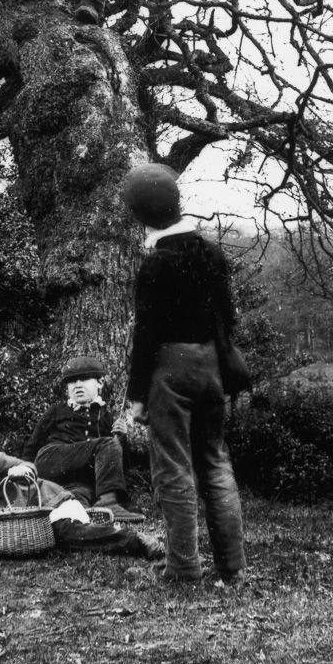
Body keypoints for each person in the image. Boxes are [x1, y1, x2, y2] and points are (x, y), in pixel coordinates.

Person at [122, 162, 245, 584]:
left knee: (173, 467)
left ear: (139, 215)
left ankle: (183, 567)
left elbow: (145, 336)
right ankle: (233, 568)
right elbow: (228, 317)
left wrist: (137, 396)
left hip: (170, 370)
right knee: (215, 463)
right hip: (211, 366)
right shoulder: (212, 252)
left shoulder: (155, 265)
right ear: (176, 203)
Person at [0, 418, 162, 560]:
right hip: (9, 529)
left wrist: (20, 470)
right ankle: (86, 517)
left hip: (43, 507)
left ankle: (133, 540)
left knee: (64, 534)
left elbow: (25, 465)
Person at [23, 354, 140, 520]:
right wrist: (25, 473)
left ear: (100, 383)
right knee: (107, 444)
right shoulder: (56, 411)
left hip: (77, 478)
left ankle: (84, 512)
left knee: (81, 494)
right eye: (72, 381)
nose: (78, 385)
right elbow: (32, 447)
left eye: (84, 379)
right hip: (52, 460)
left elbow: (119, 467)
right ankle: (109, 502)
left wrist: (121, 439)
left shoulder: (106, 417)